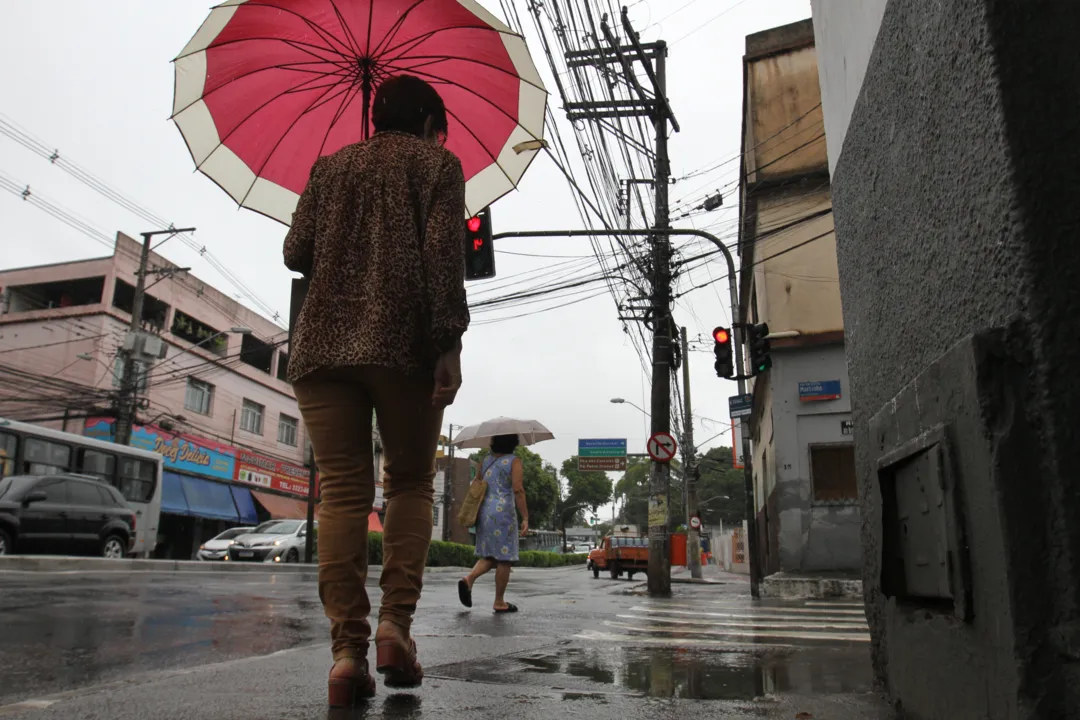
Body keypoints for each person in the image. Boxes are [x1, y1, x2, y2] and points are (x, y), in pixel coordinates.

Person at [282, 75, 469, 708]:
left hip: (321, 348)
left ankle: (345, 657)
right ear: (425, 123)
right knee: (411, 482)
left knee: (340, 492)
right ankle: (395, 630)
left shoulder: (329, 168)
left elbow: (295, 250)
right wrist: (450, 343)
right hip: (401, 343)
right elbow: (444, 257)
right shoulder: (438, 166)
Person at [457, 434, 529, 613]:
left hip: (485, 511)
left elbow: (477, 484)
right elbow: (518, 489)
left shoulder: (486, 461)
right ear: (514, 443)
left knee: (490, 555)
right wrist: (525, 517)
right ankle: (499, 601)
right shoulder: (514, 461)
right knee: (505, 558)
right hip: (503, 512)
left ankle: (469, 579)